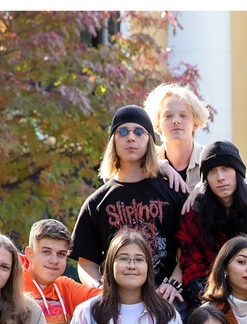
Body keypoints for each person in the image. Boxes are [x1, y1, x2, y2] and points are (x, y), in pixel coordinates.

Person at [70, 105, 188, 287]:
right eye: (122, 131)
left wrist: (173, 284)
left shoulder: (173, 192)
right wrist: (98, 289)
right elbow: (86, 263)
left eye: (139, 131)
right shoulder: (96, 203)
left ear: (150, 139)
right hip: (115, 303)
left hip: (165, 300)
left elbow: (188, 249)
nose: (131, 137)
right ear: (113, 141)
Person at [173, 139, 247, 300]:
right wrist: (215, 300)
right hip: (209, 300)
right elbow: (193, 268)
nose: (220, 177)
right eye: (212, 171)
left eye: (226, 169)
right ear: (205, 180)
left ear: (238, 172)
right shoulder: (193, 218)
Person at [22, 219, 97, 324]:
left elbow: (107, 298)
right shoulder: (13, 285)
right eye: (46, 252)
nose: (54, 260)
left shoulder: (66, 287)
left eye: (61, 254)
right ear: (30, 254)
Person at [144, 82, 215, 195]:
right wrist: (161, 166)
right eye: (168, 116)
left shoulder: (211, 156)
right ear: (157, 125)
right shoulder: (146, 159)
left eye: (183, 115)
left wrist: (202, 186)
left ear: (195, 123)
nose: (176, 121)